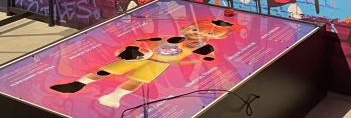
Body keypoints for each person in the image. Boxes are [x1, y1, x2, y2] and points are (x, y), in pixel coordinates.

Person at [50, 19, 233, 109]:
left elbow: (206, 54)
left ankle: (114, 97)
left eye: (205, 33)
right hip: (142, 57)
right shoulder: (166, 37)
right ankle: (79, 83)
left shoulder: (197, 45)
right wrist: (134, 48)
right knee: (107, 69)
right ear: (185, 27)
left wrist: (205, 55)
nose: (196, 33)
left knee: (136, 80)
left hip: (158, 64)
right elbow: (140, 40)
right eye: (194, 29)